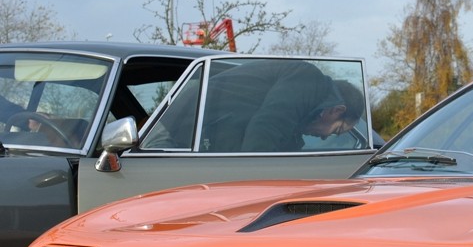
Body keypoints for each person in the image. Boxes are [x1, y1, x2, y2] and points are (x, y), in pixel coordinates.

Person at [145, 59, 366, 152]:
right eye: (337, 130)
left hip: (196, 130)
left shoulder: (305, 101)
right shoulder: (308, 80)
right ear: (337, 110)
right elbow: (267, 126)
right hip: (179, 128)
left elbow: (284, 135)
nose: (327, 137)